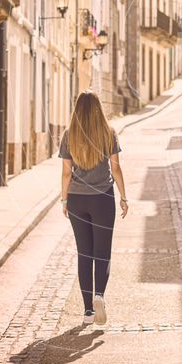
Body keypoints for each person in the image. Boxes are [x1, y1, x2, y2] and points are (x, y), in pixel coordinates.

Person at [58, 90, 128, 326]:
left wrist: (64, 200)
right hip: (102, 198)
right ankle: (99, 296)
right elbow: (116, 168)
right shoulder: (108, 133)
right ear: (99, 109)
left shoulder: (69, 135)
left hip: (77, 199)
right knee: (102, 253)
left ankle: (88, 311)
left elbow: (66, 172)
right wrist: (123, 197)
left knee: (84, 254)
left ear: (77, 110)